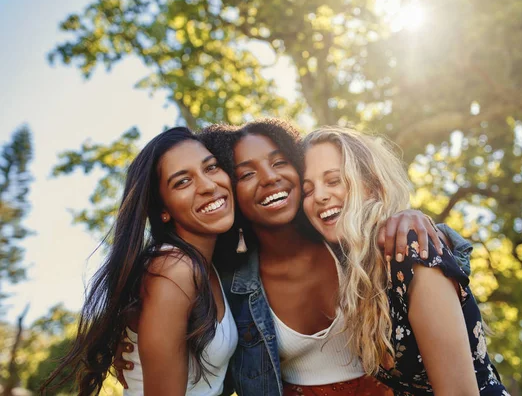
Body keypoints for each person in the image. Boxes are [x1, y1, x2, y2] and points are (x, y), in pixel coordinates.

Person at [115, 118, 472, 396]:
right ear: (234, 191)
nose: (269, 178)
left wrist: (410, 217)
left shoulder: (350, 243)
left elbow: (433, 267)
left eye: (280, 162)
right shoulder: (226, 283)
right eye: (247, 174)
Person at [301, 127, 509, 395]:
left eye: (333, 181)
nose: (319, 196)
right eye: (308, 190)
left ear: (371, 184)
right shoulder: (353, 270)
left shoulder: (411, 251)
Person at [41, 127, 238, 395]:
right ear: (162, 210)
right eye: (182, 182)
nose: (208, 185)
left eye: (211, 167)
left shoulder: (207, 265)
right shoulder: (174, 269)